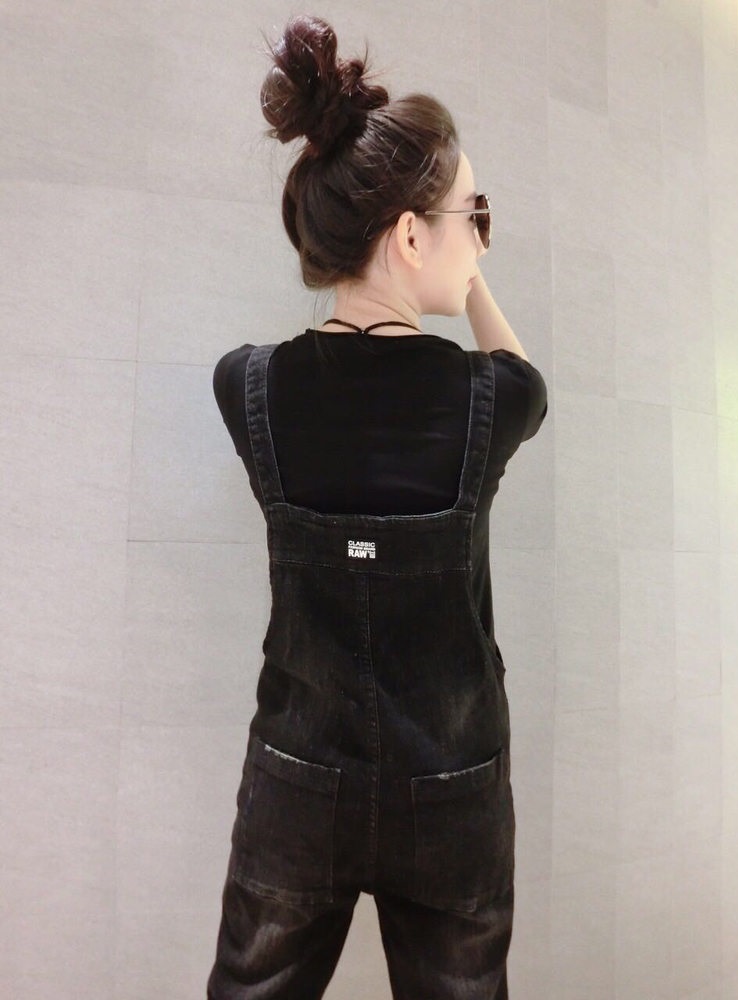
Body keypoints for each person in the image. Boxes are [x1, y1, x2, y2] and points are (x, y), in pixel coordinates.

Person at [207, 14, 547, 1000]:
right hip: (453, 791)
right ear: (407, 234)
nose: (475, 237)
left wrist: (456, 233)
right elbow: (524, 373)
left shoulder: (246, 385)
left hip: (297, 779)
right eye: (470, 214)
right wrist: (474, 280)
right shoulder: (491, 398)